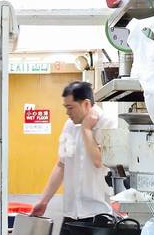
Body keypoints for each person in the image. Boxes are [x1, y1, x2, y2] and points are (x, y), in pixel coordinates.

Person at [31, 80, 114, 227]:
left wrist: (86, 129)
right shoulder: (69, 126)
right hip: (71, 214)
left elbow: (98, 161)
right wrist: (44, 201)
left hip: (98, 214)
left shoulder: (107, 123)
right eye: (65, 107)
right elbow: (62, 165)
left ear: (86, 104)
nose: (67, 112)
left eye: (70, 107)